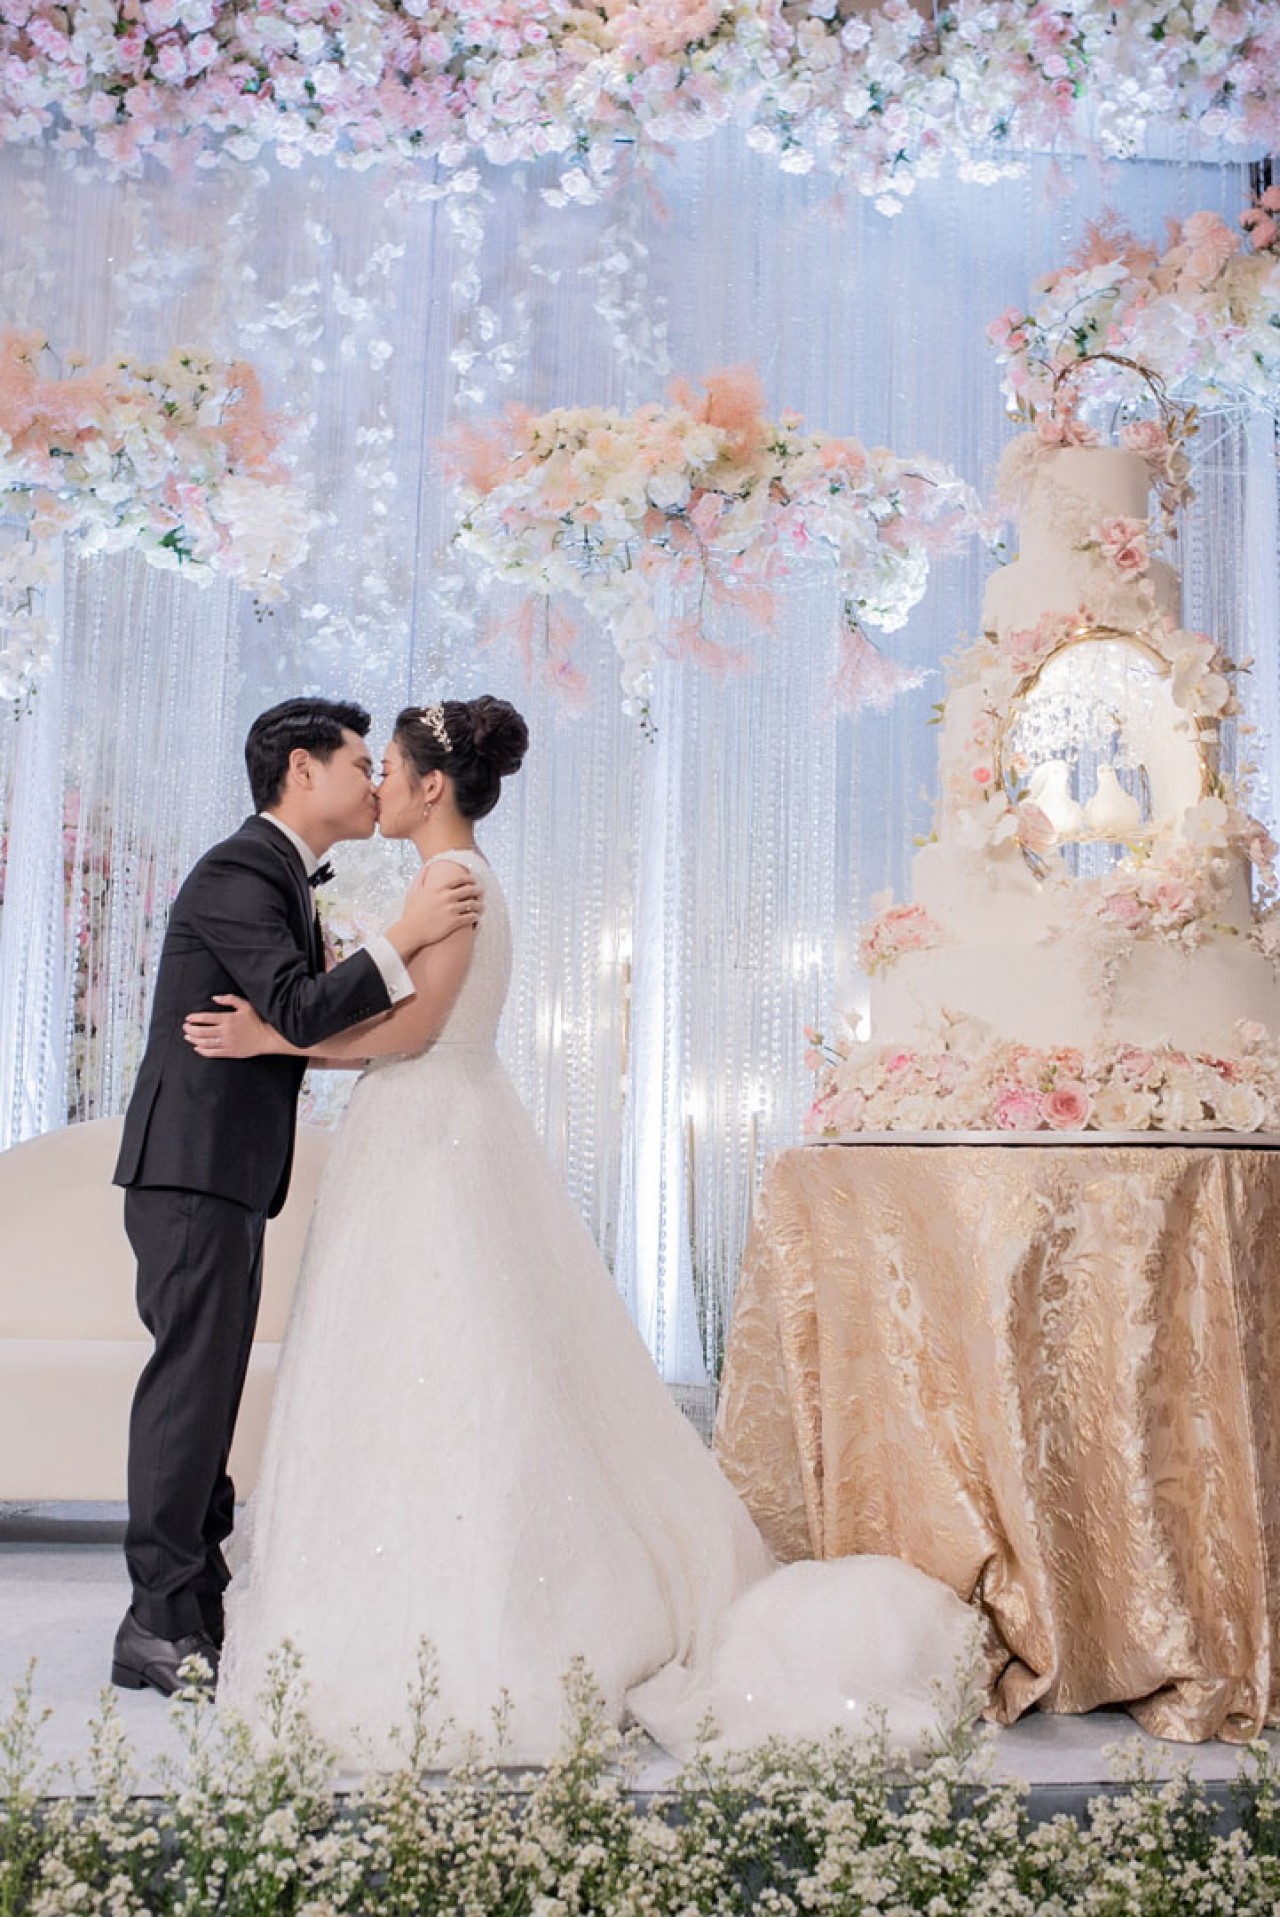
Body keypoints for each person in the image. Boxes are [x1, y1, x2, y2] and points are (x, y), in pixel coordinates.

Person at [184, 695, 982, 1764]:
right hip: (423, 1129)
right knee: (420, 1359)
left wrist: (274, 1043)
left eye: (391, 771)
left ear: (431, 786)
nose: (376, 788)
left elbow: (414, 1030)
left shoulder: (450, 880)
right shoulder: (446, 876)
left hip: (432, 1131)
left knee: (451, 1357)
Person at [111, 697, 484, 1698]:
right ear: (301, 770)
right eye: (360, 763)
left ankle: (193, 1599)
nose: (374, 782)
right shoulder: (242, 869)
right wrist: (403, 935)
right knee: (189, 1391)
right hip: (191, 1170)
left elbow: (291, 1022)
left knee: (209, 1392)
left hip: (222, 1172)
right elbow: (295, 1007)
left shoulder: (277, 874)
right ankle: (154, 1620)